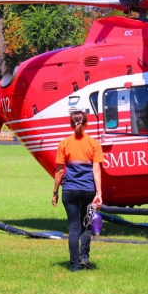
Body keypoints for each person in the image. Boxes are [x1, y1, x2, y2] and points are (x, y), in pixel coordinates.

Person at [52, 110, 103, 272]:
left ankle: (74, 266)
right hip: (88, 190)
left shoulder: (64, 143)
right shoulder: (94, 143)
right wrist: (99, 193)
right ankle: (84, 257)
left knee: (74, 228)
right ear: (87, 124)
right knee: (86, 226)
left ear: (70, 124)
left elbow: (60, 171)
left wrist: (54, 192)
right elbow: (96, 170)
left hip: (69, 190)